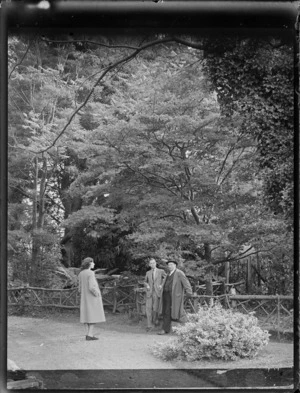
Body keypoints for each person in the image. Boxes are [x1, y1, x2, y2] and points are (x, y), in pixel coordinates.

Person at [157, 260, 193, 335]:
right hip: (165, 295)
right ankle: (169, 328)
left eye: (171, 264)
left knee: (169, 311)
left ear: (175, 265)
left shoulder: (179, 273)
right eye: (168, 265)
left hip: (174, 296)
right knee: (165, 311)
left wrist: (189, 292)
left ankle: (165, 329)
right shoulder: (168, 274)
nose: (169, 266)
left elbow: (186, 283)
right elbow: (164, 283)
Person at [78, 257, 106, 340]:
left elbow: (79, 288)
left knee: (86, 315)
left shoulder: (81, 273)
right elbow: (91, 287)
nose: (94, 264)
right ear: (89, 263)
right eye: (93, 262)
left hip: (84, 297)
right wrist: (97, 293)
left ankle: (88, 333)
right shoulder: (90, 273)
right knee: (93, 315)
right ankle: (90, 335)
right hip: (91, 297)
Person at [144, 258, 166, 331]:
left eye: (153, 263)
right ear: (149, 265)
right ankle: (149, 325)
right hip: (149, 292)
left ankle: (155, 322)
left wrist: (161, 285)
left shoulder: (161, 271)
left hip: (157, 292)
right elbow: (145, 281)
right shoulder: (148, 273)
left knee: (155, 309)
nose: (152, 264)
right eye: (151, 263)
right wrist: (147, 285)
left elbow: (166, 278)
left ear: (156, 263)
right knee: (148, 308)